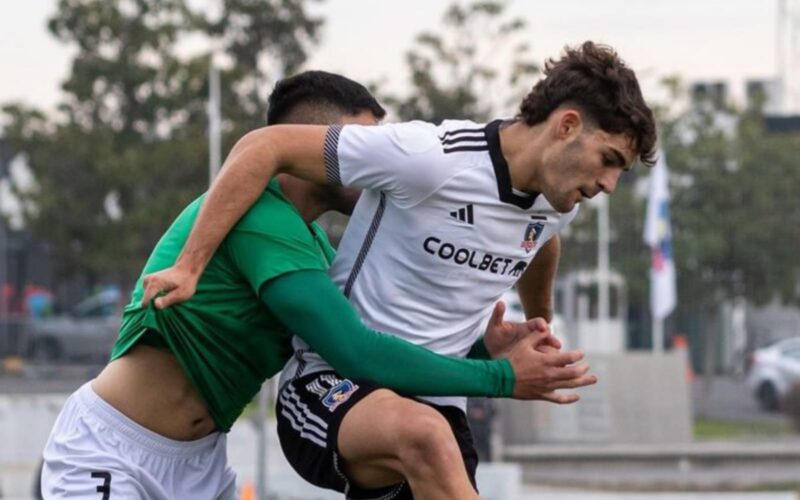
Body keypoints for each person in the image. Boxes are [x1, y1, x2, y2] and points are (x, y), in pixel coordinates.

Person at [40, 71, 591, 500]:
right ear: (322, 143)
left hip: (199, 465)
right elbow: (357, 350)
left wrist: (479, 346)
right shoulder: (258, 218)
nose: (382, 157)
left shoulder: (318, 252)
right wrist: (499, 376)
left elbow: (369, 343)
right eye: (369, 141)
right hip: (112, 448)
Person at [148, 40, 655, 499]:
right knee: (425, 437)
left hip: (436, 409)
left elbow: (543, 240)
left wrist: (537, 329)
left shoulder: (558, 204)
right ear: (567, 126)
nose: (609, 183)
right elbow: (263, 146)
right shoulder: (429, 156)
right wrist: (190, 264)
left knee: (431, 434)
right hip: (330, 389)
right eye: (608, 159)